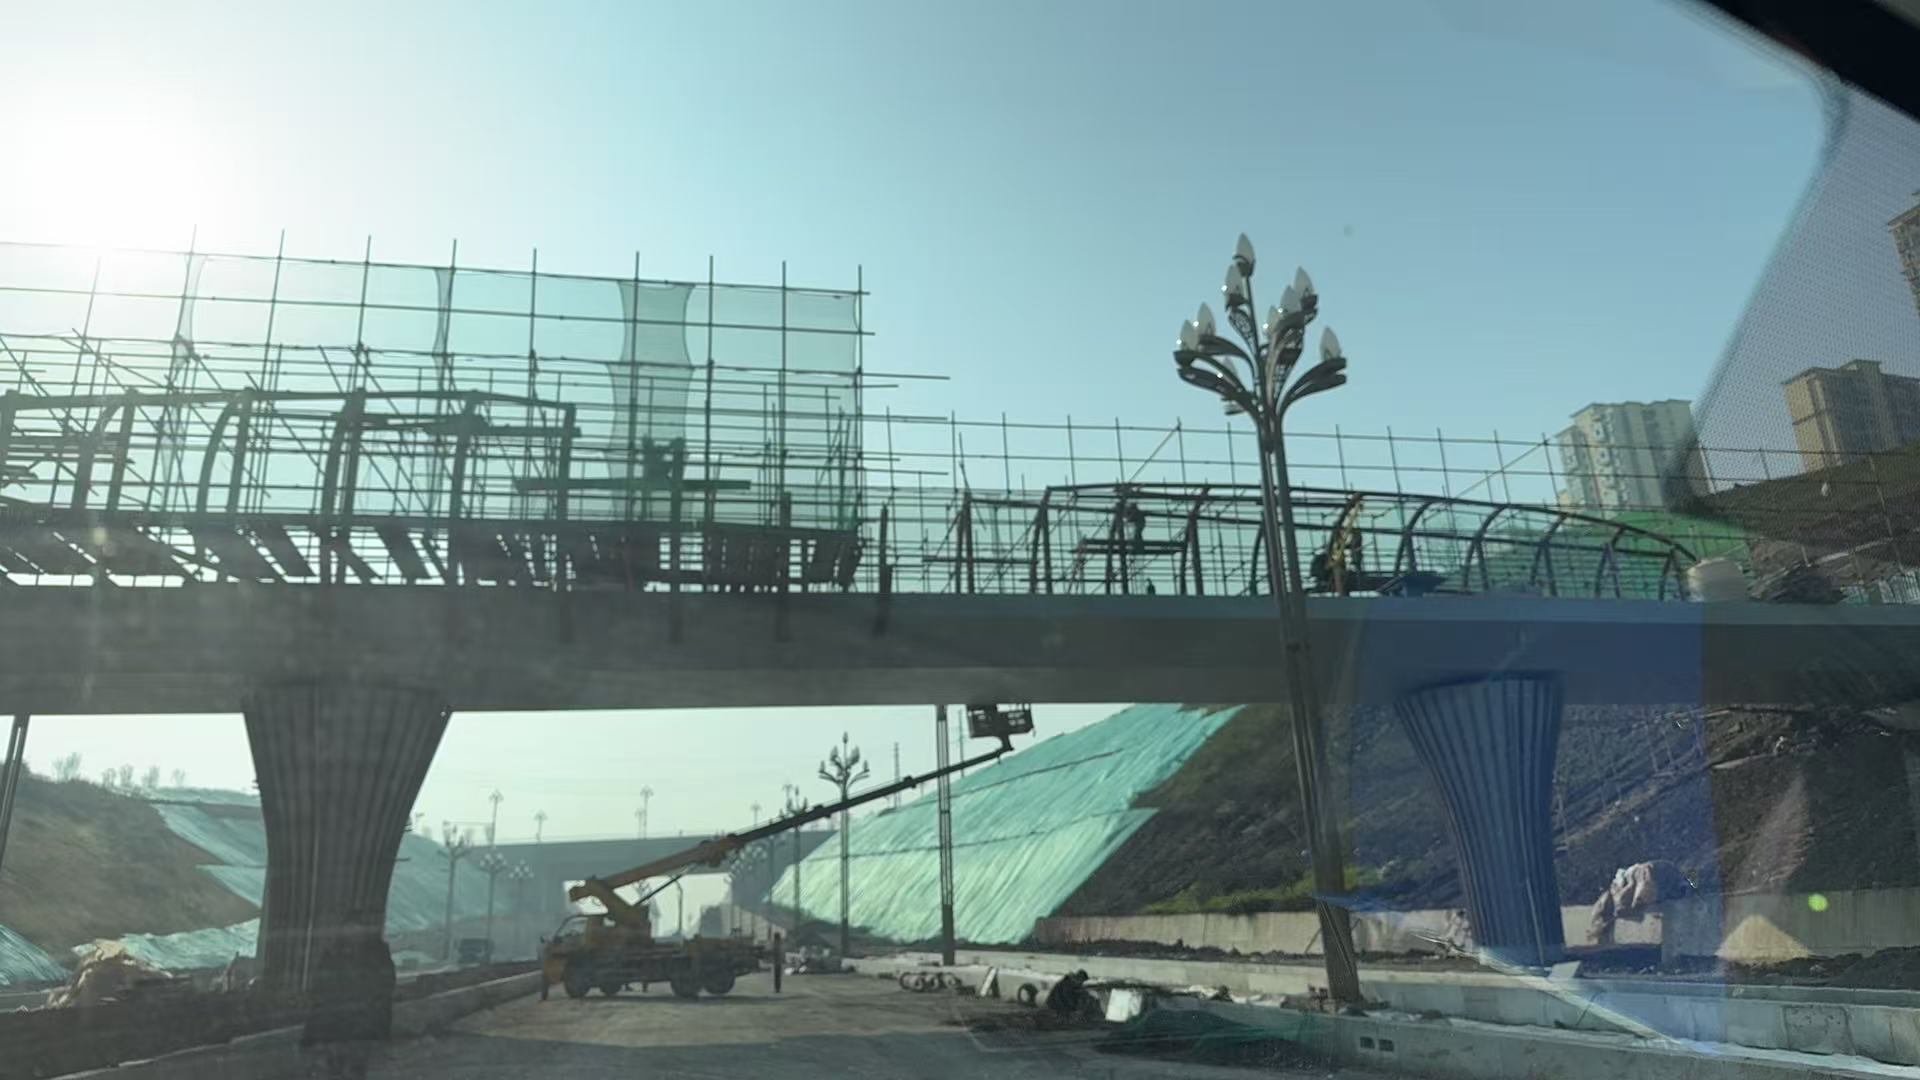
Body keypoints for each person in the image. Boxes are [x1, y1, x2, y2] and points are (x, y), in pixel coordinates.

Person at [301, 910, 396, 1079]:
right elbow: (320, 989)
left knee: (352, 1066)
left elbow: (382, 989)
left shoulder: (377, 956)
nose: (354, 933)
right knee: (331, 1066)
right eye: (351, 928)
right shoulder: (333, 953)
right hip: (334, 1024)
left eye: (358, 928)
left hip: (361, 1026)